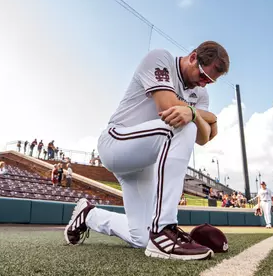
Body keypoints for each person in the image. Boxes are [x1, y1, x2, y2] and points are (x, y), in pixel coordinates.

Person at [64, 41, 229, 260]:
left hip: (144, 159)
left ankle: (89, 215)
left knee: (142, 237)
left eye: (210, 82)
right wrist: (202, 116)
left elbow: (204, 137)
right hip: (117, 141)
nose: (204, 84)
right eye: (203, 76)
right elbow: (168, 107)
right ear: (192, 57)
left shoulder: (200, 94)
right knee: (182, 126)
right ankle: (164, 229)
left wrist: (197, 114)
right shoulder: (160, 58)